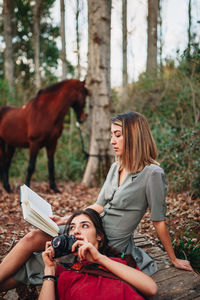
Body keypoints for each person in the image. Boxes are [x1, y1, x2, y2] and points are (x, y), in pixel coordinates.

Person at [0, 112, 192, 291]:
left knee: (33, 262)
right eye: (112, 135)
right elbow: (98, 206)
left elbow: (158, 220)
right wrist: (65, 219)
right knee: (32, 238)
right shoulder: (116, 166)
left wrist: (173, 259)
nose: (112, 141)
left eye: (117, 135)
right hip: (89, 227)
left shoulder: (153, 174)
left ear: (134, 137)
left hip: (107, 243)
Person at [38, 208, 157, 300]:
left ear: (99, 236)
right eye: (72, 228)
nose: (76, 231)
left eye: (84, 225)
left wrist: (99, 259)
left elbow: (151, 289)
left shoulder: (117, 263)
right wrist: (49, 270)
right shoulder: (66, 274)